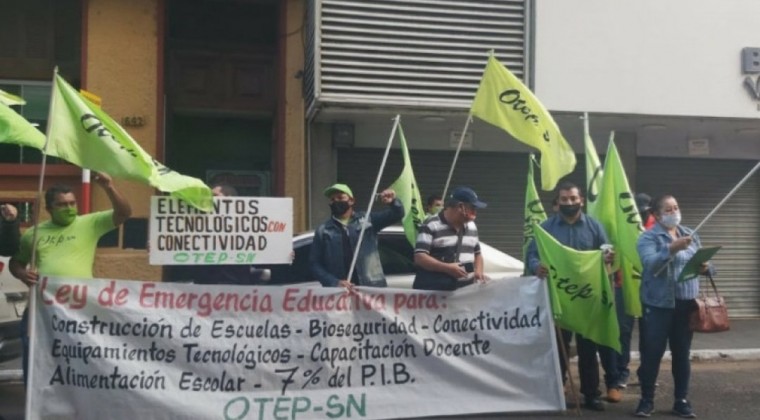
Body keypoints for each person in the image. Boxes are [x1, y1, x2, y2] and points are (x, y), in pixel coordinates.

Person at [10, 172, 131, 384]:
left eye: (72, 203)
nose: (69, 208)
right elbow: (15, 263)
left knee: (79, 363)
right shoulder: (33, 233)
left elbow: (124, 213)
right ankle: (36, 411)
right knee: (37, 360)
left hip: (79, 312)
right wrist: (22, 274)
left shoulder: (89, 223)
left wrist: (109, 187)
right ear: (49, 209)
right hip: (43, 312)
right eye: (62, 205)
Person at [526, 181, 618, 411]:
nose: (569, 203)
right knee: (559, 347)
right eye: (564, 199)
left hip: (588, 297)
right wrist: (537, 266)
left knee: (588, 347)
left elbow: (607, 250)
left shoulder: (594, 227)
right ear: (557, 203)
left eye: (573, 199)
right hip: (559, 298)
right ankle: (556, 392)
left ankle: (591, 394)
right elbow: (533, 255)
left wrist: (607, 256)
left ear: (581, 200)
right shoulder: (546, 228)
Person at [634, 194, 710, 418]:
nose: (674, 212)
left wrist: (707, 267)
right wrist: (671, 249)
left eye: (676, 207)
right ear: (656, 215)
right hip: (658, 305)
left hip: (686, 304)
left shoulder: (690, 234)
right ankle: (646, 400)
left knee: (681, 353)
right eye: (668, 210)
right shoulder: (648, 238)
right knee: (652, 353)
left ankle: (681, 400)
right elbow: (650, 264)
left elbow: (705, 263)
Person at [310, 183, 403, 288]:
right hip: (340, 293)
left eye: (340, 197)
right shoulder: (323, 230)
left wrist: (393, 202)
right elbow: (315, 264)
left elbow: (397, 214)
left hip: (370, 289)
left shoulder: (367, 220)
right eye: (332, 199)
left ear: (351, 201)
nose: (336, 201)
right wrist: (334, 282)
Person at [413, 186, 487, 291]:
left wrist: (479, 271)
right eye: (472, 208)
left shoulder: (472, 226)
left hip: (464, 294)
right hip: (435, 295)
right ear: (461, 206)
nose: (475, 212)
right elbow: (420, 257)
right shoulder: (431, 225)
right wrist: (447, 268)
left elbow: (478, 253)